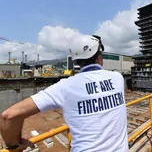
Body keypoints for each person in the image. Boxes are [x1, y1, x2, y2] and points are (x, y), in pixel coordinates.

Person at [1, 35, 129, 152]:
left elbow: (9, 116)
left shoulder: (65, 86)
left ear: (75, 61)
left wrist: (14, 145)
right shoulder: (117, 78)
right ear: (99, 58)